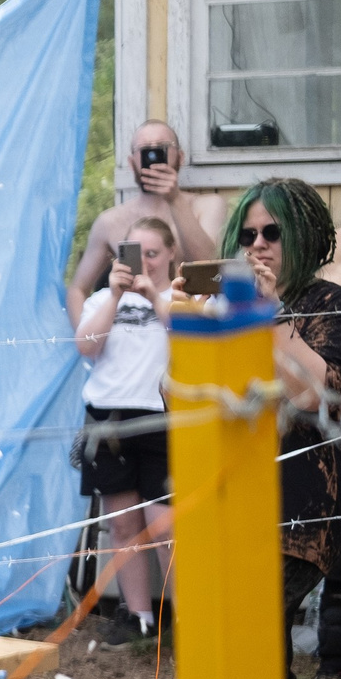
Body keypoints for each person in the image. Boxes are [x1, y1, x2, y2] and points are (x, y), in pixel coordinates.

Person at [230, 177, 341, 679]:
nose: (258, 245)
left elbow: (315, 393)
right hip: (233, 502)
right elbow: (172, 391)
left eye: (271, 232)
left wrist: (273, 316)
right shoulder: (229, 304)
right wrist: (187, 319)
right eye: (247, 233)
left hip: (303, 508)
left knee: (251, 624)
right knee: (256, 638)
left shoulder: (333, 304)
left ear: (301, 233)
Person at [73, 214, 177, 641]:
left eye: (153, 253)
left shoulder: (180, 298)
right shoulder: (102, 300)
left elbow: (190, 339)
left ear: (170, 254)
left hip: (163, 417)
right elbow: (86, 347)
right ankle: (139, 617)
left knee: (167, 527)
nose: (144, 262)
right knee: (122, 525)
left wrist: (152, 294)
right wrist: (116, 296)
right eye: (135, 254)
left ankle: (188, 619)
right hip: (109, 418)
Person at [65, 120, 225, 328]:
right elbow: (77, 289)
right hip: (133, 334)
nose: (153, 156)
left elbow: (211, 270)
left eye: (162, 148)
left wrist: (175, 199)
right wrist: (88, 340)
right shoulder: (110, 221)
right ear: (132, 162)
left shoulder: (208, 205)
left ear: (180, 157)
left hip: (189, 332)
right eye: (145, 150)